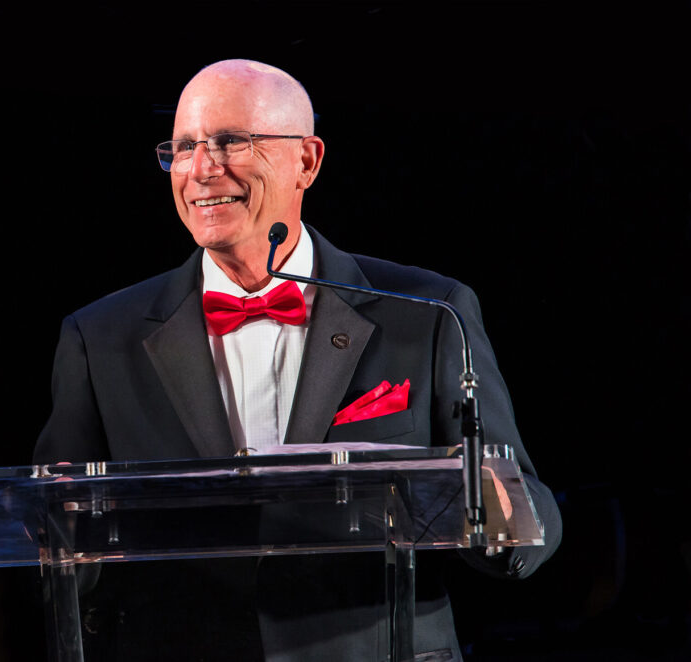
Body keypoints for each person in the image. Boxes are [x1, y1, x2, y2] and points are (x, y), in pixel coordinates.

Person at [34, 59, 561, 661]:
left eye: (231, 142)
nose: (203, 169)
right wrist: (58, 536)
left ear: (306, 161)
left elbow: (529, 516)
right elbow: (55, 533)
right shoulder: (99, 337)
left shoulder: (428, 313)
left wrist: (495, 509)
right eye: (183, 147)